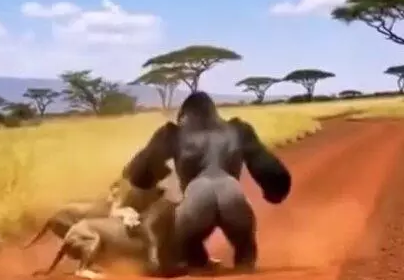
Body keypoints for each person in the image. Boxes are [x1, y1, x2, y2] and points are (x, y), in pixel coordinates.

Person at [122, 91, 292, 270]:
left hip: (196, 198)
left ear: (184, 117)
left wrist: (151, 182)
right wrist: (274, 192)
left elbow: (138, 174)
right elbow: (269, 169)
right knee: (245, 246)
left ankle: (198, 265)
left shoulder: (172, 133)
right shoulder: (239, 130)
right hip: (231, 193)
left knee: (186, 245)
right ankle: (244, 267)